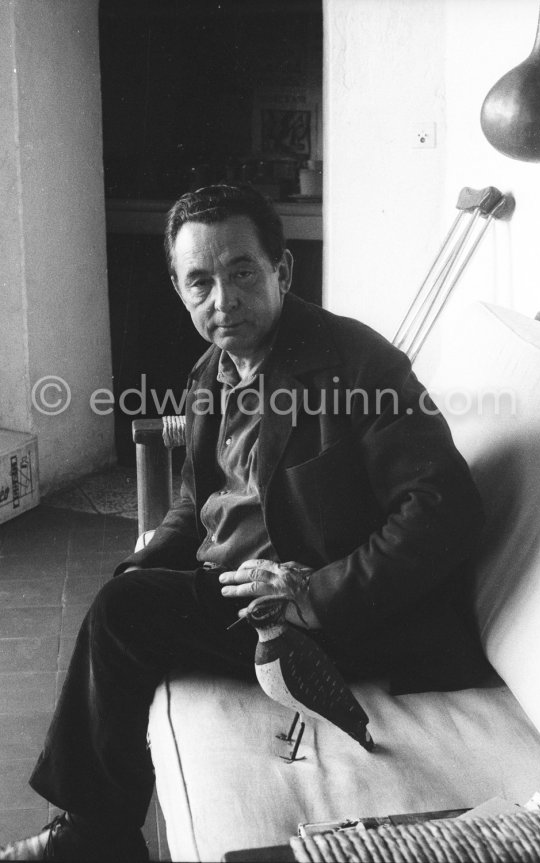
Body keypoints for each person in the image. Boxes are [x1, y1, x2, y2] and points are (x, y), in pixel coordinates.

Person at [0, 184, 490, 861]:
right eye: (200, 281)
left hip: (333, 615)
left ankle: (96, 835)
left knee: (121, 615)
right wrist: (151, 561)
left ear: (281, 272)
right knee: (128, 596)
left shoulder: (359, 364)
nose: (222, 300)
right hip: (232, 582)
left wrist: (312, 595)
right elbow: (195, 498)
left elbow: (444, 510)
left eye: (241, 272)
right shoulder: (215, 365)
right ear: (178, 287)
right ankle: (98, 828)